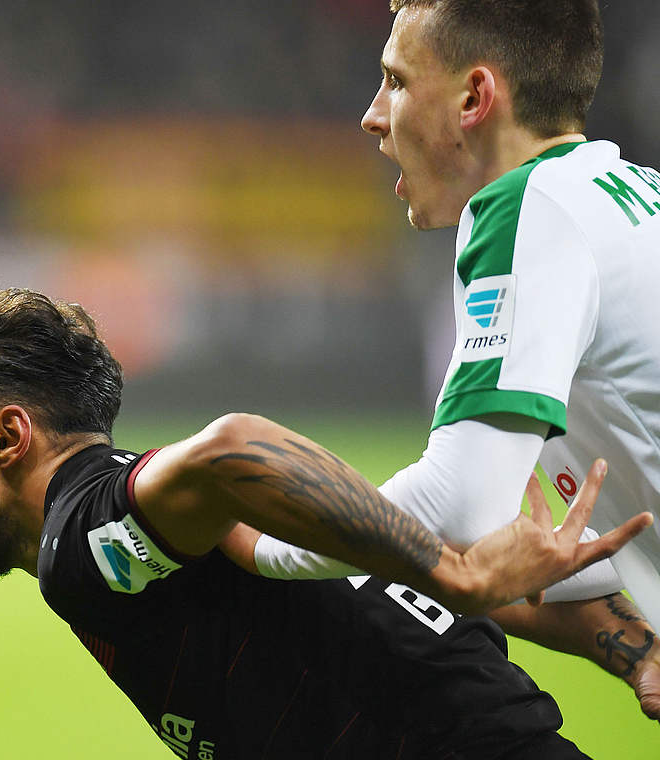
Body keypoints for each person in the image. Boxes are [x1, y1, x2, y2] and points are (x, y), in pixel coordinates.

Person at [0, 285, 655, 758]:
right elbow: (408, 573)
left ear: (9, 436)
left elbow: (232, 446)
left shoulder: (83, 540)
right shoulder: (190, 525)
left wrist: (456, 572)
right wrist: (635, 652)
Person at [236, 0, 660, 680]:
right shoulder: (633, 195)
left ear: (475, 97)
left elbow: (458, 506)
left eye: (397, 81)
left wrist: (260, 544)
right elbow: (513, 556)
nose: (373, 114)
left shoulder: (527, 207)